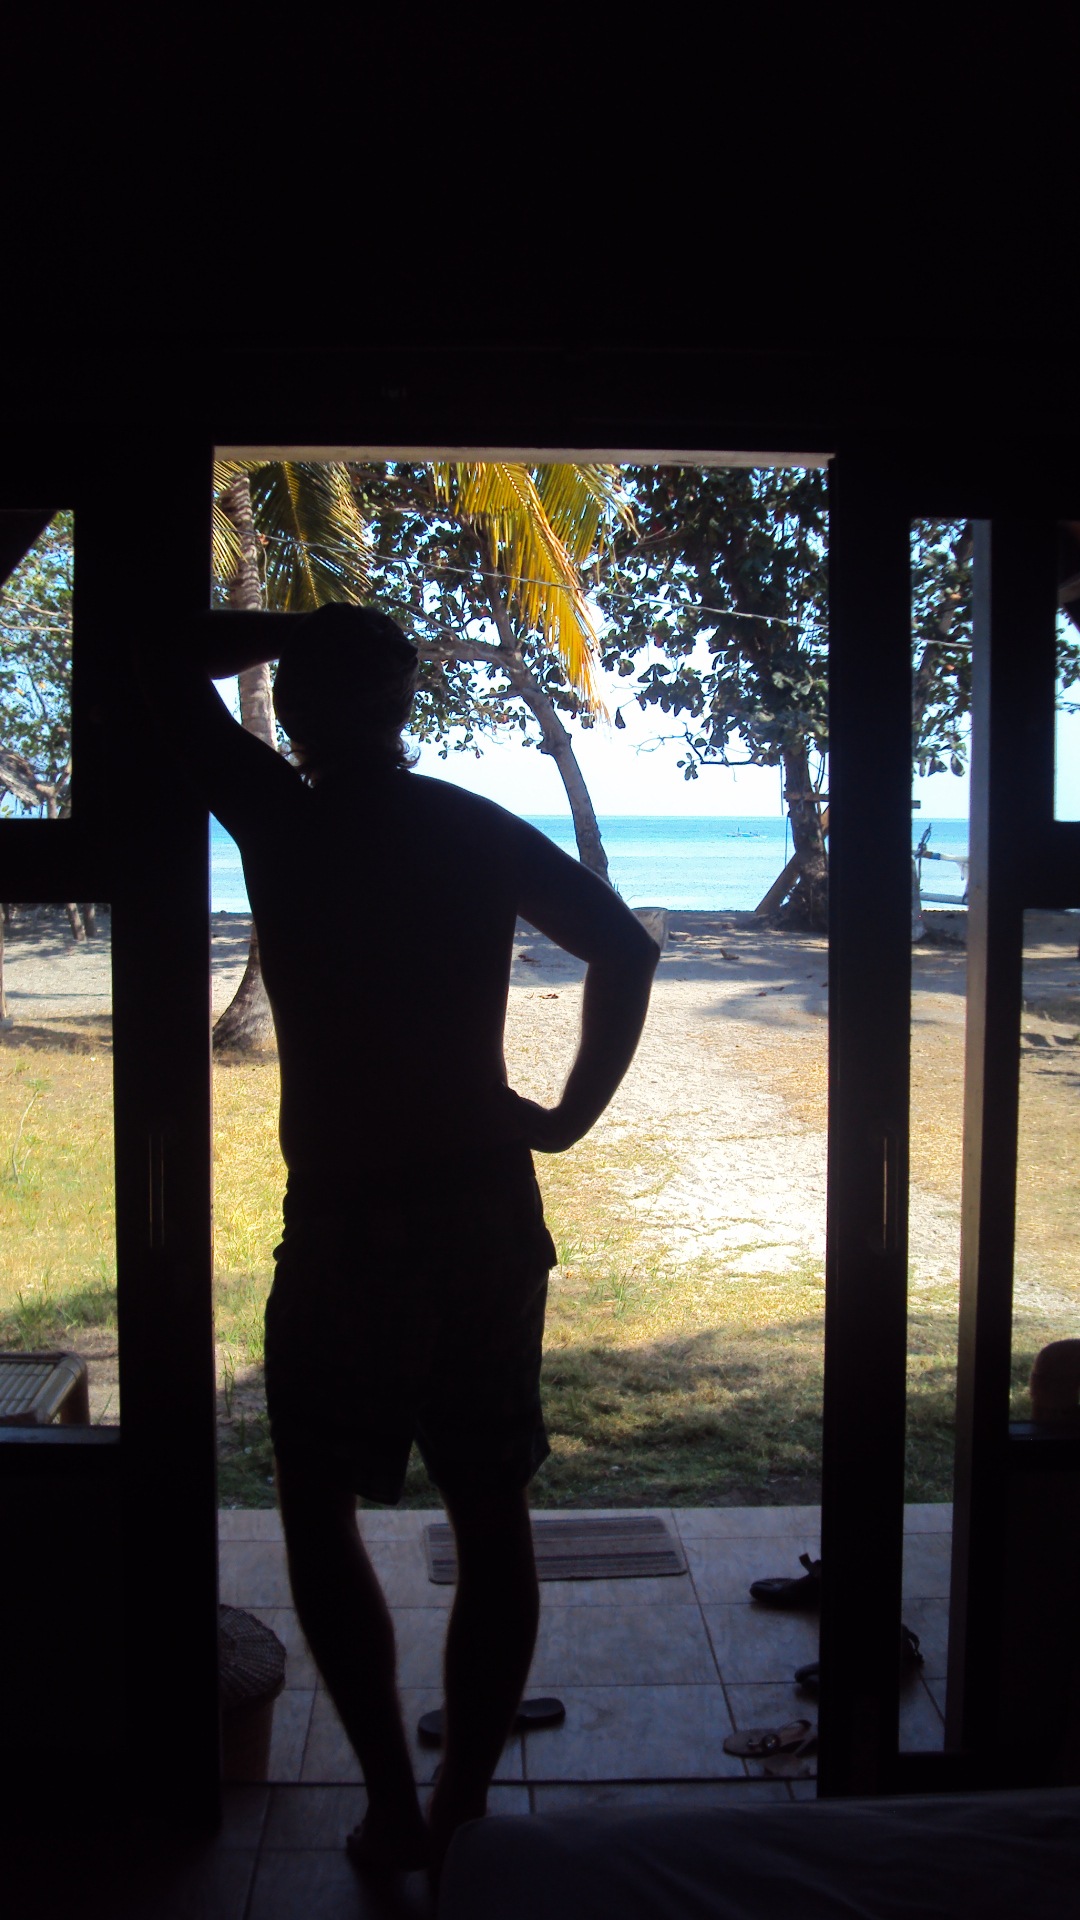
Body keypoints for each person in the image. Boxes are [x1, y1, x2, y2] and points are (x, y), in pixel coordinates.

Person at [157, 602, 659, 1876]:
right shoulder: (466, 825)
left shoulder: (281, 820)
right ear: (404, 707)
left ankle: (392, 1802)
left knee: (318, 1505)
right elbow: (625, 946)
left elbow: (154, 647)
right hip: (484, 1211)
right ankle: (462, 1805)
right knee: (490, 1510)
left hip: (345, 1224)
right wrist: (564, 1119)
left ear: (301, 705)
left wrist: (296, 627)